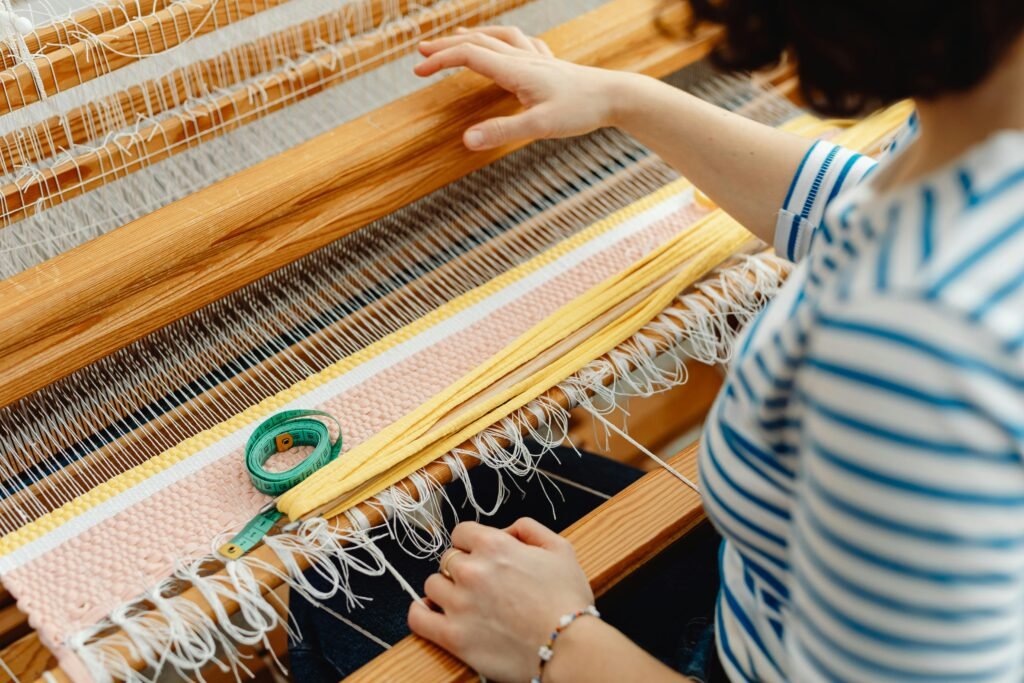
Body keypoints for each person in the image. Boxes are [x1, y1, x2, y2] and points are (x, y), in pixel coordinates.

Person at [404, 2, 1024, 681]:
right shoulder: (985, 128)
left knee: (378, 569)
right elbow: (864, 204)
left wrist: (554, 641)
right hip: (776, 603)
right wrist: (621, 97)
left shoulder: (910, 347)